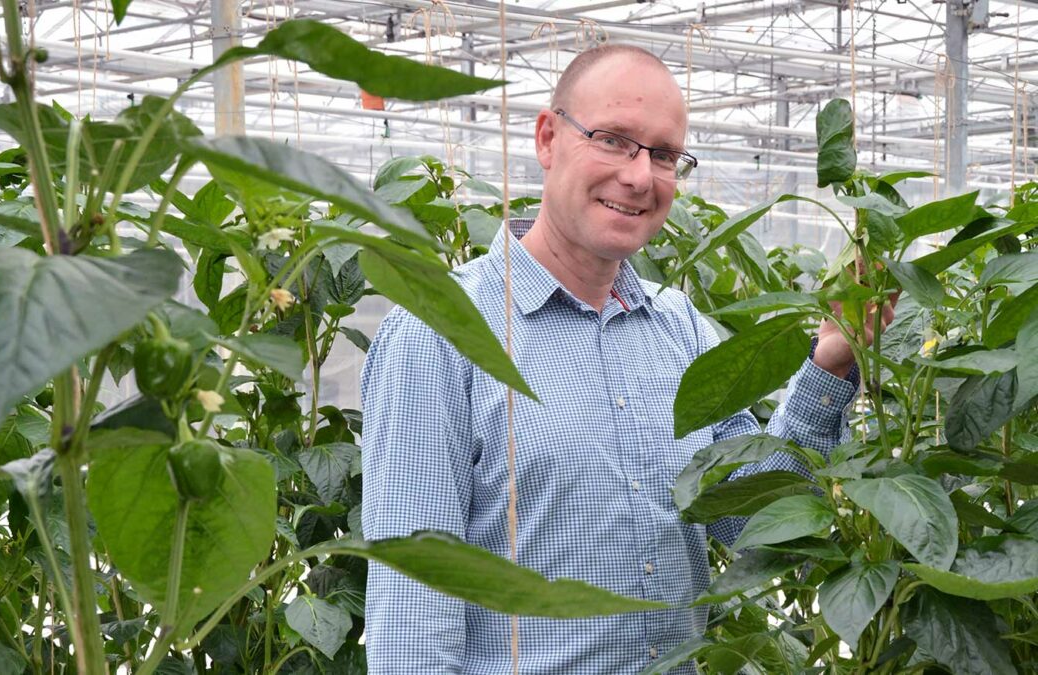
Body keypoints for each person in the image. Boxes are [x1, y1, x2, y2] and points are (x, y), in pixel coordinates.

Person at [361, 44, 892, 674]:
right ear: (548, 138)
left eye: (664, 154)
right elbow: (413, 616)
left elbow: (749, 523)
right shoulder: (439, 334)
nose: (640, 177)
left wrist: (829, 364)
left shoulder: (682, 331)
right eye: (613, 140)